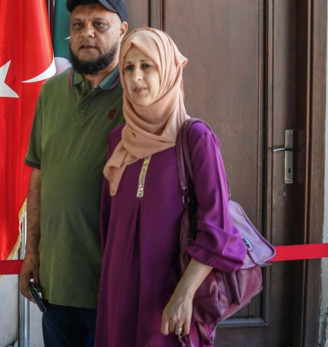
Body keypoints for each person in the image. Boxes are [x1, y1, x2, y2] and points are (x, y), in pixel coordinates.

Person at [96, 27, 247, 346]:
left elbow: (218, 228)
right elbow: (109, 224)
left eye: (147, 65)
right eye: (128, 67)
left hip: (169, 299)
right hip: (118, 297)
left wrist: (184, 294)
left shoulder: (195, 138)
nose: (136, 77)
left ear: (168, 70)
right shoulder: (118, 141)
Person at [18, 0, 129, 347]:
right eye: (78, 25)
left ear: (122, 31)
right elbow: (39, 175)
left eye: (99, 24)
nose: (87, 33)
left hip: (113, 282)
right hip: (57, 279)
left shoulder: (137, 95)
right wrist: (31, 252)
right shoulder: (51, 92)